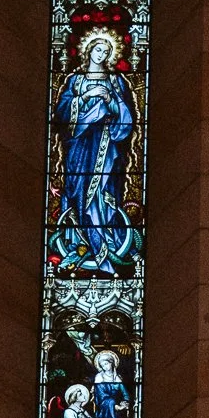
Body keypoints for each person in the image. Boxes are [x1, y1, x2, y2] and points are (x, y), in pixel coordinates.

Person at [52, 28, 140, 269]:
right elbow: (61, 116)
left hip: (106, 147)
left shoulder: (115, 82)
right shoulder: (75, 81)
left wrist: (110, 101)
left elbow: (126, 119)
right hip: (79, 150)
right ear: (89, 51)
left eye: (106, 51)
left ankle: (105, 243)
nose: (101, 54)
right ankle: (79, 245)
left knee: (102, 194)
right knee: (79, 193)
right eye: (98, 49)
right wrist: (85, 96)